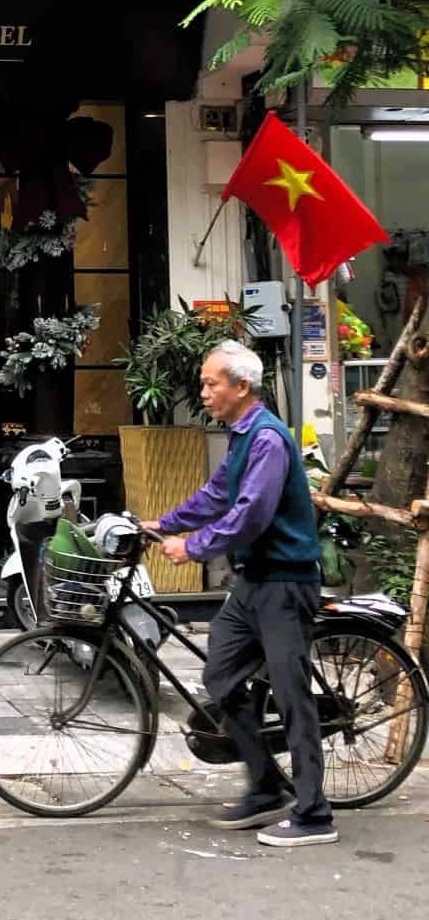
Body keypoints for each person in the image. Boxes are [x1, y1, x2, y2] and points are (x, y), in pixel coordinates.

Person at [142, 338, 336, 849]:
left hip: (285, 583)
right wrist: (164, 522)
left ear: (241, 386)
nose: (203, 392)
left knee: (294, 698)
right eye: (204, 383)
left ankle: (315, 813)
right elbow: (216, 494)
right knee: (221, 678)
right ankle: (267, 784)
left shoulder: (268, 439)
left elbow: (250, 513)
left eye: (211, 383)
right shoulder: (240, 436)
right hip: (252, 583)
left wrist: (195, 548)